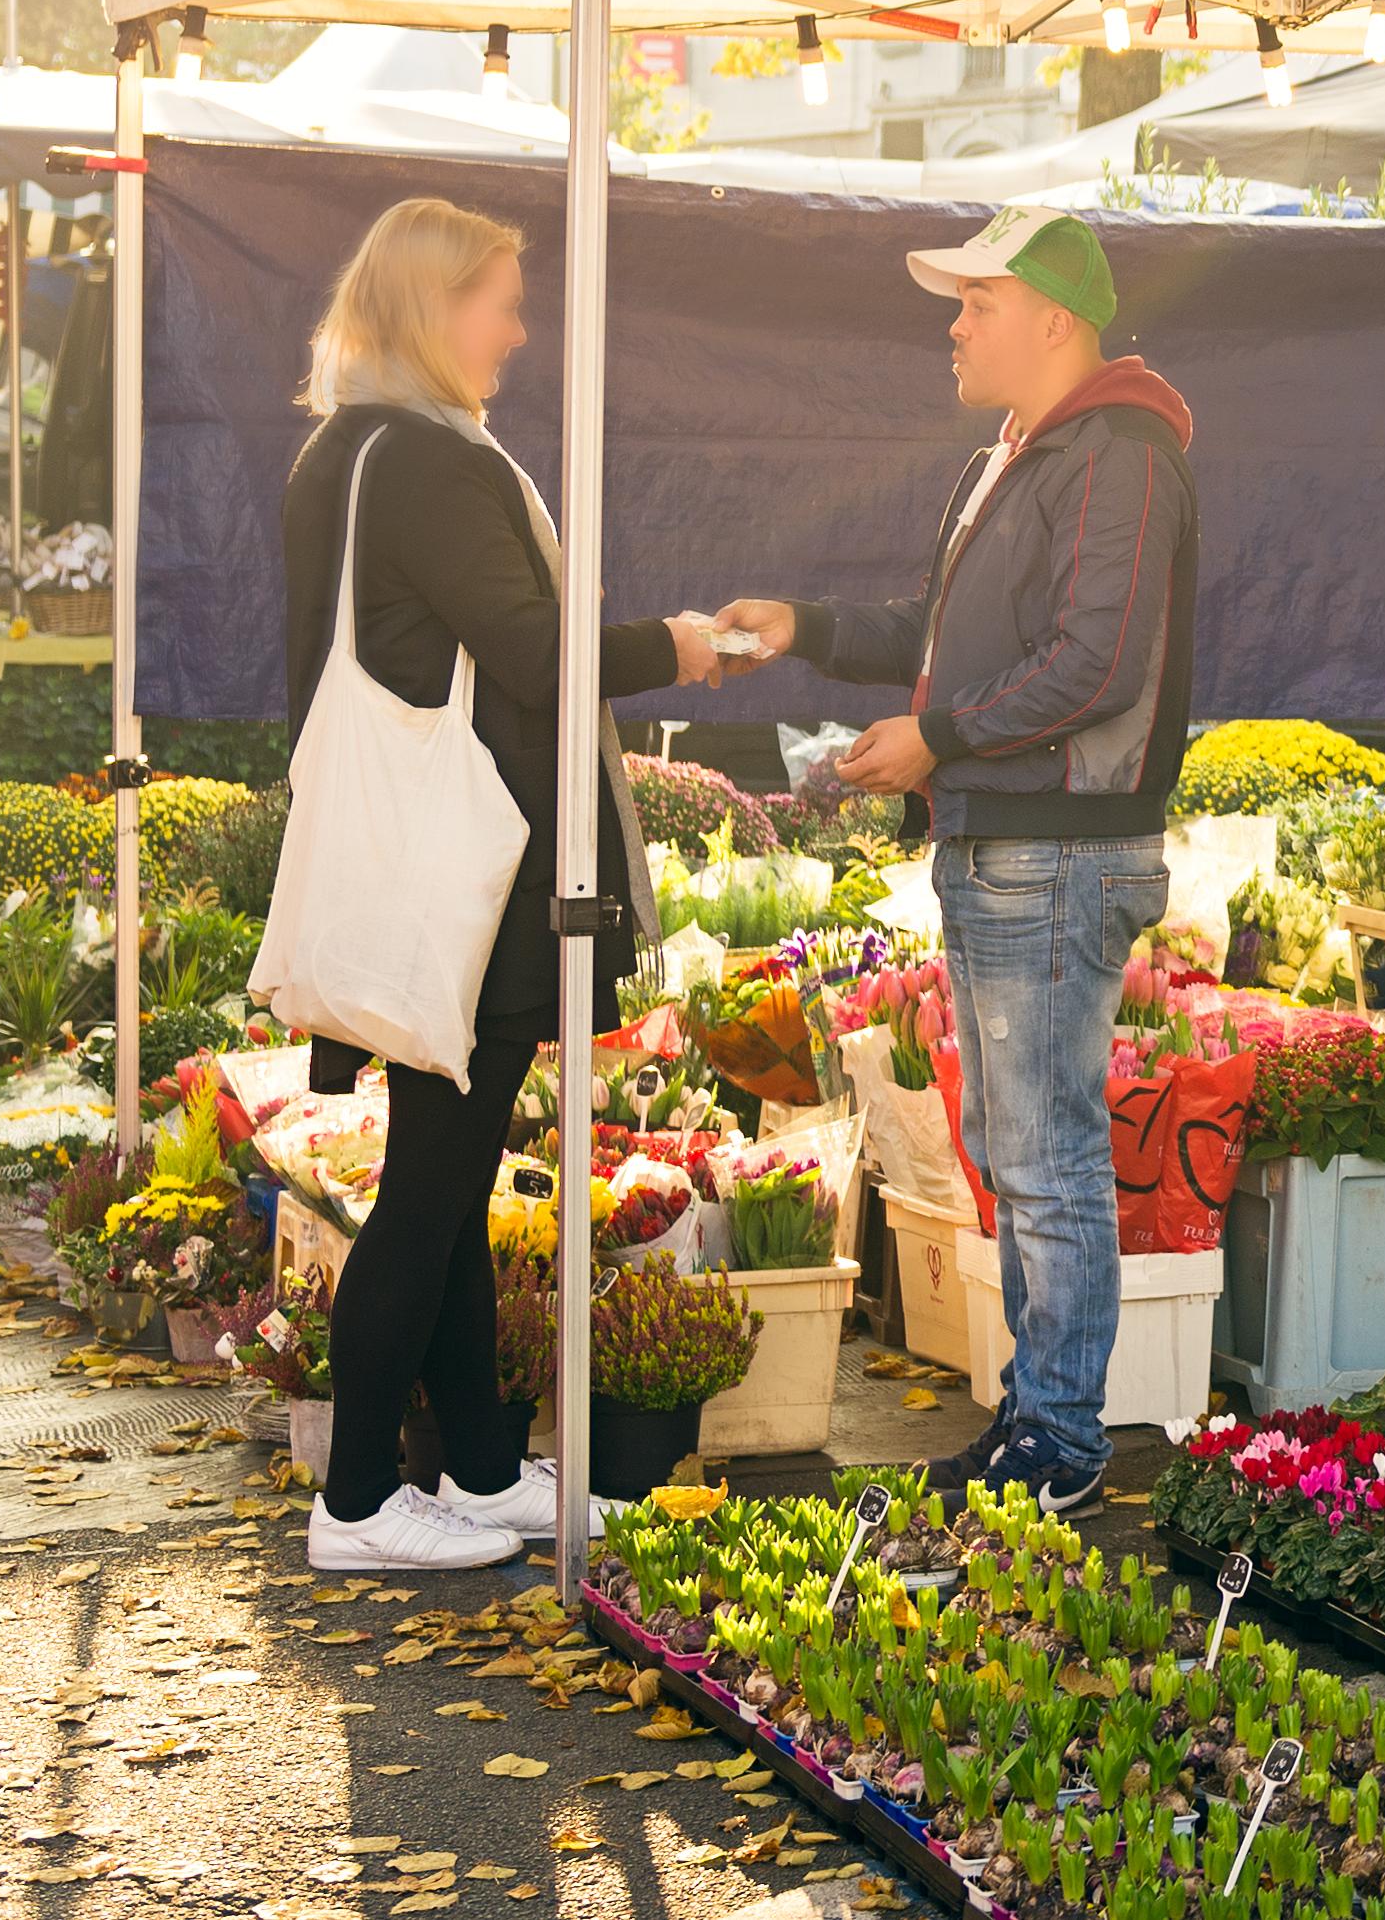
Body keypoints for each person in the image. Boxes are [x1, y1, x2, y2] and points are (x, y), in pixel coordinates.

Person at [280, 195, 734, 1576]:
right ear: (432, 307)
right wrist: (682, 644)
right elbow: (532, 654)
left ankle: (476, 1466)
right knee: (428, 1185)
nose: (519, 330)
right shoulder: (422, 460)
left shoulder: (345, 452)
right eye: (500, 301)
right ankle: (357, 1496)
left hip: (421, 872)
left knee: (453, 1168)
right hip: (462, 885)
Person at [722, 203, 1200, 1517]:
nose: (953, 322)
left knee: (1043, 1148)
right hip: (1006, 840)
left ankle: (1057, 1435)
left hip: (1057, 845)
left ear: (1052, 318)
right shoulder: (1020, 456)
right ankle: (1036, 1422)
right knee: (1014, 1137)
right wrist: (806, 626)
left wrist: (936, 738)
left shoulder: (1119, 452)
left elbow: (1095, 665)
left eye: (975, 300)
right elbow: (949, 641)